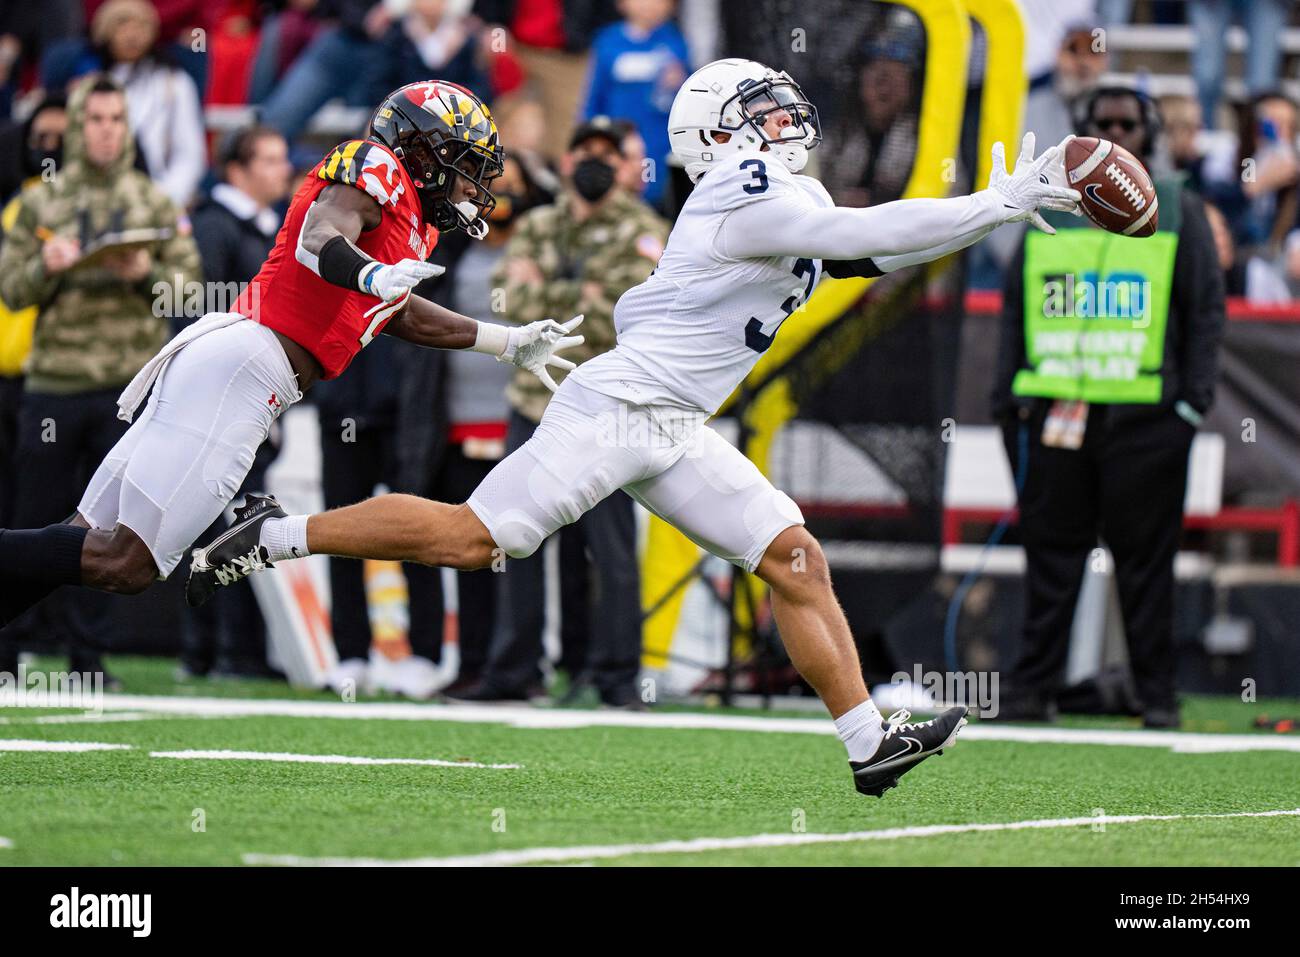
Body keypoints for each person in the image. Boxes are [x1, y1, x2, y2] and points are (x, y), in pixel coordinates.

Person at [192, 59, 1080, 797]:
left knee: (795, 556)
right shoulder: (745, 184)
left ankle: (866, 743)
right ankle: (268, 531)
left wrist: (981, 214)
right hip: (621, 405)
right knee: (474, 539)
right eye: (755, 106)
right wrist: (990, 205)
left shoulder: (783, 193)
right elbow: (866, 226)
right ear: (721, 134)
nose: (779, 112)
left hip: (675, 422)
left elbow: (874, 247)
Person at [0, 80, 583, 637]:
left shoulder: (413, 226)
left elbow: (396, 311)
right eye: (462, 164)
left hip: (235, 364)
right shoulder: (374, 166)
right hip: (244, 365)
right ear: (422, 151)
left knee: (86, 538)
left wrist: (505, 342)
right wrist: (373, 273)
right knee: (126, 562)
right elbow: (318, 238)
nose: (469, 186)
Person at [991, 85, 1227, 729]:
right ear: (1083, 129)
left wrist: (1190, 408)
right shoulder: (1047, 208)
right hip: (1055, 412)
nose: (1116, 132)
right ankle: (1032, 689)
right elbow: (1015, 307)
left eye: (1128, 122)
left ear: (1149, 132)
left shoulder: (1179, 207)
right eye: (1103, 123)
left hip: (1145, 419)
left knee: (1147, 566)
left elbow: (1205, 313)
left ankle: (1154, 697)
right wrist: (1005, 397)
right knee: (1050, 556)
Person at [449, 117, 668, 706]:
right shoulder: (540, 223)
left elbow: (624, 314)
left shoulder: (646, 231)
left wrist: (548, 292)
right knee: (511, 535)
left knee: (611, 551)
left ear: (626, 165)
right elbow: (506, 302)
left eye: (608, 152)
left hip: (608, 411)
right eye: (583, 152)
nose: (594, 162)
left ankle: (617, 678)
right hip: (534, 404)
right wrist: (584, 295)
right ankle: (514, 672)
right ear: (566, 163)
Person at [0, 74, 201, 679]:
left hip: (128, 390)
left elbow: (192, 295)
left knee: (109, 529)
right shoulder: (39, 201)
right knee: (37, 518)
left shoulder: (156, 203)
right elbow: (9, 290)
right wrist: (46, 265)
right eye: (95, 119)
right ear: (78, 124)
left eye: (117, 119)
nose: (106, 131)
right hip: (54, 385)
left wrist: (144, 271)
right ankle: (9, 649)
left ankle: (88, 658)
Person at [182, 125, 294, 680]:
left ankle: (232, 649)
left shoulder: (260, 228)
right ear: (236, 169)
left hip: (254, 397)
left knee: (237, 518)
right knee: (221, 521)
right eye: (270, 159)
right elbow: (210, 318)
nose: (282, 169)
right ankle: (220, 649)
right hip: (226, 399)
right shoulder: (214, 227)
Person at [580, 0, 689, 208]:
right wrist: (588, 136)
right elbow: (594, 95)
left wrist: (679, 82)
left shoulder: (675, 41)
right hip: (616, 141)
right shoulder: (607, 41)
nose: (649, 5)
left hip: (660, 144)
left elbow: (686, 96)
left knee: (658, 201)